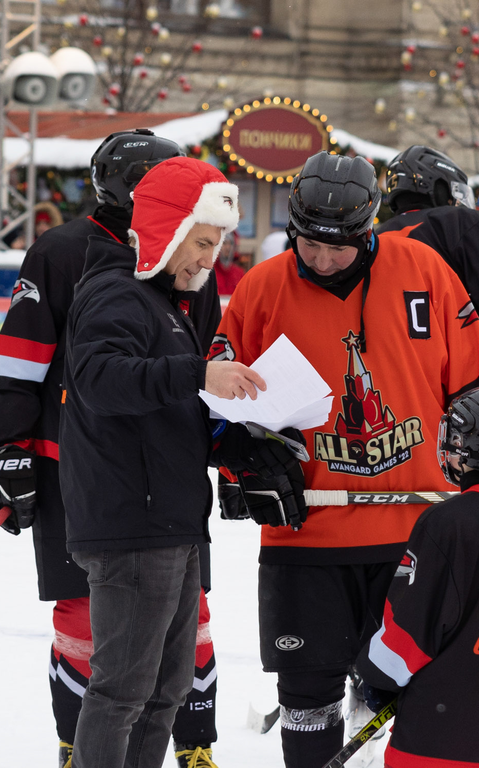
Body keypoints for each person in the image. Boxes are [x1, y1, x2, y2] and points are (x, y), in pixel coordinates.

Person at [210, 152, 479, 768]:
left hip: (413, 536)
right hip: (305, 538)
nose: (320, 261)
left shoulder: (423, 269)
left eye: (337, 248)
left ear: (369, 229)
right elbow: (214, 402)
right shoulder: (261, 288)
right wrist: (244, 456)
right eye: (308, 245)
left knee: (416, 690)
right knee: (307, 695)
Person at [0, 130, 226, 768]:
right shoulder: (70, 253)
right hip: (87, 473)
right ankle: (80, 745)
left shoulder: (184, 262)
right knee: (93, 622)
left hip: (162, 481)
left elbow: (194, 363)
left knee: (178, 625)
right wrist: (11, 449)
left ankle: (190, 743)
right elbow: (24, 359)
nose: (208, 254)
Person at [59, 156, 299, 768]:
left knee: (166, 691)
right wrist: (199, 372)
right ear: (166, 229)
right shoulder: (117, 294)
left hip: (170, 521)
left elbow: (175, 413)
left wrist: (242, 446)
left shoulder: (169, 304)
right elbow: (99, 380)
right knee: (121, 690)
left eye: (216, 245)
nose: (207, 258)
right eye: (200, 241)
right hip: (133, 525)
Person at [355, 386, 479, 768]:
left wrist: (379, 678)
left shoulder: (445, 522)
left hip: (441, 729)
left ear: (466, 446)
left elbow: (412, 624)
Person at [378, 146, 479, 402]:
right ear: (442, 187)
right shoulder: (461, 221)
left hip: (390, 401)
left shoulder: (373, 239)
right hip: (467, 393)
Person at [213, 230, 246, 295]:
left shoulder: (239, 273)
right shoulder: (211, 272)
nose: (228, 247)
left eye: (230, 243)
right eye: (224, 243)